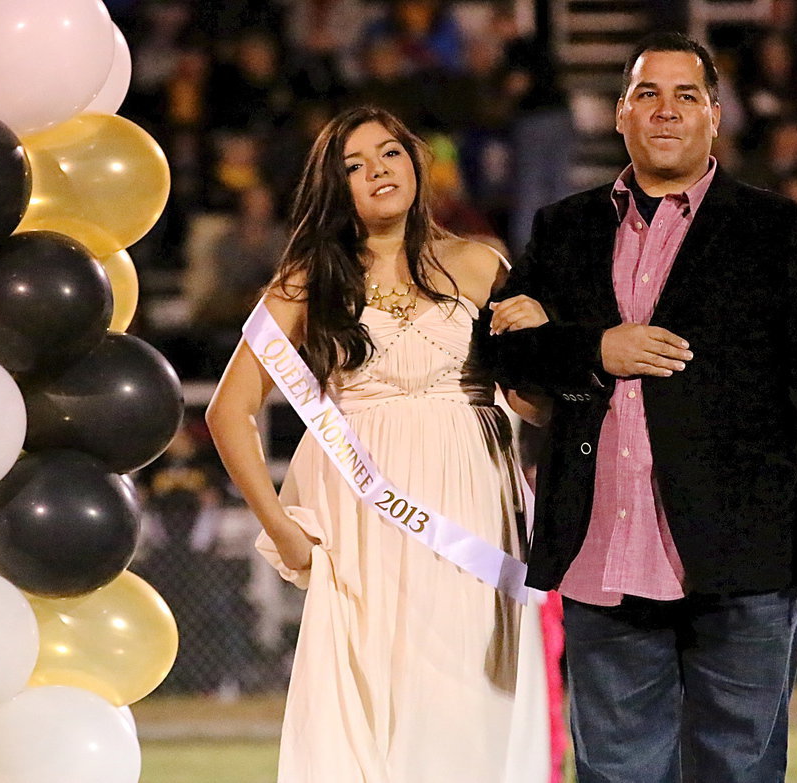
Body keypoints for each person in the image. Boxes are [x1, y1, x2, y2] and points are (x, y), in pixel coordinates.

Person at [488, 32, 797, 783]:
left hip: (746, 550)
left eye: (685, 95)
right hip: (601, 546)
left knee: (738, 767)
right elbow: (508, 354)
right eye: (647, 93)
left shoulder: (783, 231)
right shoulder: (561, 228)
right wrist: (594, 351)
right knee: (615, 771)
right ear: (619, 115)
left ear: (714, 116)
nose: (665, 110)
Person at [205, 105, 549, 783]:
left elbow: (534, 402)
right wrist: (280, 524)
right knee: (368, 706)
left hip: (472, 507)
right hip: (363, 523)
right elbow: (229, 409)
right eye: (354, 166)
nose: (377, 172)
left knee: (467, 704)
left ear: (416, 160)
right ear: (338, 188)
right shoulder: (311, 278)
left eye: (389, 153)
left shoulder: (480, 263)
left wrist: (540, 325)